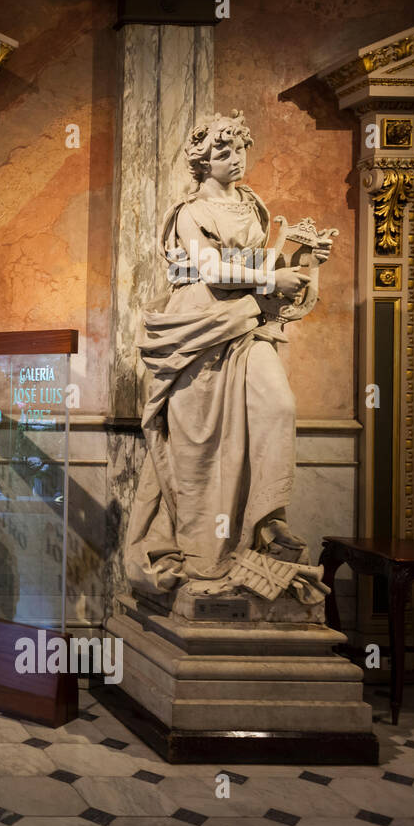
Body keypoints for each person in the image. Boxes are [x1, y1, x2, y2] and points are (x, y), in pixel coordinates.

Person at [124, 110, 331, 604]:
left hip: (249, 323)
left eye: (238, 150)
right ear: (202, 162)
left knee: (277, 408)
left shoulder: (253, 205)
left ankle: (263, 528)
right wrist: (269, 277)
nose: (234, 159)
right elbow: (210, 267)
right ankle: (203, 556)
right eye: (222, 153)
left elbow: (264, 266)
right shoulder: (189, 212)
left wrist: (304, 266)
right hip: (200, 327)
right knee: (200, 446)